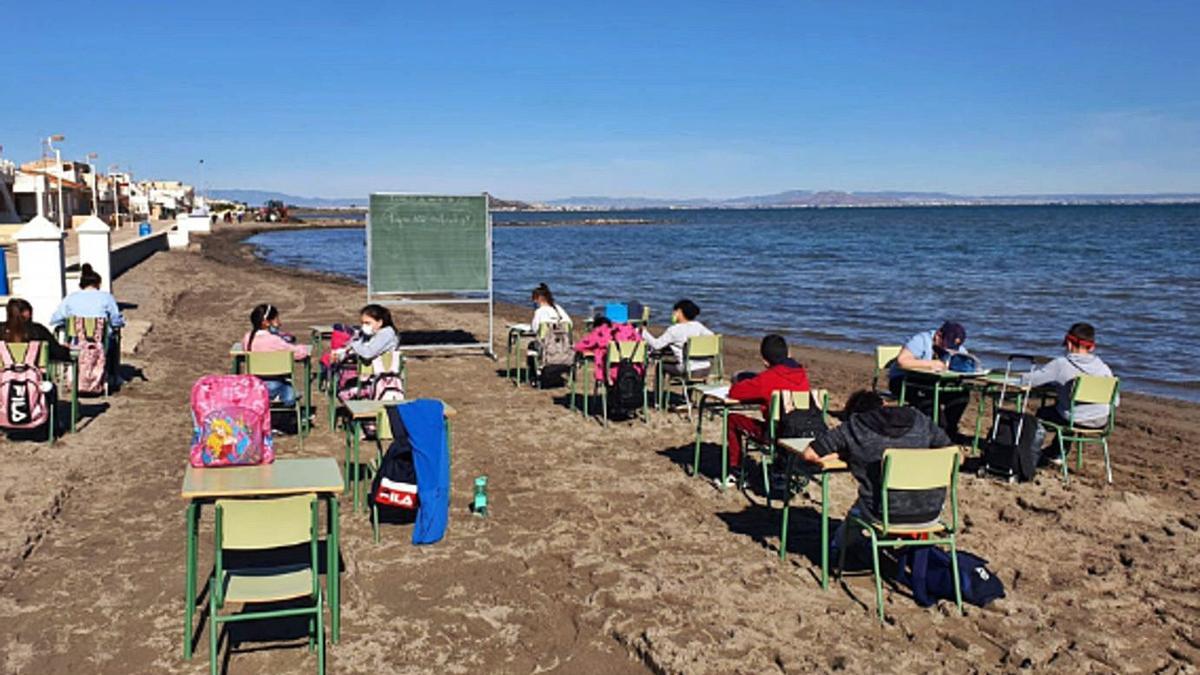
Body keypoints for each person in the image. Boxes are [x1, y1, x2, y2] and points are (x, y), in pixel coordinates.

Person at [798, 390, 952, 544]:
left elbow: (809, 454)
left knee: (858, 512)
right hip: (931, 513)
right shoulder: (920, 420)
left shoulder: (854, 427)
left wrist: (846, 453)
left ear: (853, 414)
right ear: (883, 405)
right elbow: (953, 453)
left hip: (883, 514)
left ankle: (837, 550)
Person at [722, 334, 811, 488]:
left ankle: (736, 469)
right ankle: (779, 467)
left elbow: (735, 392)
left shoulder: (766, 379)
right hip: (802, 434)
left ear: (765, 361)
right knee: (780, 420)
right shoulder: (802, 374)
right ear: (789, 353)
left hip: (776, 436)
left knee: (732, 419)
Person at [1022, 322, 1117, 429]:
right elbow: (1116, 401)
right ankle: (1058, 446)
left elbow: (1030, 380)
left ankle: (1036, 446)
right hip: (1102, 421)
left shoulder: (1061, 364)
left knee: (1042, 413)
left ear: (1069, 343)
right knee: (1064, 405)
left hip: (1075, 419)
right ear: (1091, 347)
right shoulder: (1104, 368)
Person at [888, 321, 970, 437]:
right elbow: (902, 361)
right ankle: (938, 430)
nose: (948, 348)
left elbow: (964, 359)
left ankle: (949, 430)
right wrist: (931, 364)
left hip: (932, 383)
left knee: (961, 395)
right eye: (946, 344)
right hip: (903, 380)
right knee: (929, 402)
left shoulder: (955, 348)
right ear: (938, 335)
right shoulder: (920, 340)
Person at [242, 303, 310, 405]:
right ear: (266, 322)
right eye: (276, 319)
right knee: (293, 393)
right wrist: (303, 347)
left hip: (255, 385)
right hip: (275, 385)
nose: (279, 322)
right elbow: (299, 354)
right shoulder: (275, 341)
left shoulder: (247, 338)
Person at [642, 299, 714, 378]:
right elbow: (711, 338)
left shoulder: (674, 330)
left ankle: (659, 390)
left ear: (679, 312)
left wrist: (643, 331)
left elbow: (657, 345)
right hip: (706, 368)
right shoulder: (699, 326)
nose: (673, 314)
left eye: (674, 312)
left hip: (689, 369)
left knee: (661, 365)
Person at [49, 264, 126, 330]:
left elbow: (55, 319)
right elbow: (116, 321)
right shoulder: (106, 297)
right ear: (98, 284)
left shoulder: (70, 298)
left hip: (76, 342)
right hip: (101, 342)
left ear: (81, 285)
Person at [573, 315, 643, 384]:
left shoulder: (600, 332)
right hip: (635, 371)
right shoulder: (631, 331)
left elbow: (583, 344)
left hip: (611, 373)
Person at [0, 298, 71, 362]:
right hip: (32, 374)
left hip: (3, 374)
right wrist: (66, 349)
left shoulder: (1, 330)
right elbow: (57, 353)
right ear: (27, 313)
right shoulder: (38, 330)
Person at [333, 304, 400, 363]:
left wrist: (354, 344)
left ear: (379, 322)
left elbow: (368, 353)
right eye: (363, 323)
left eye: (367, 323)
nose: (364, 326)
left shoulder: (386, 333)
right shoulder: (372, 334)